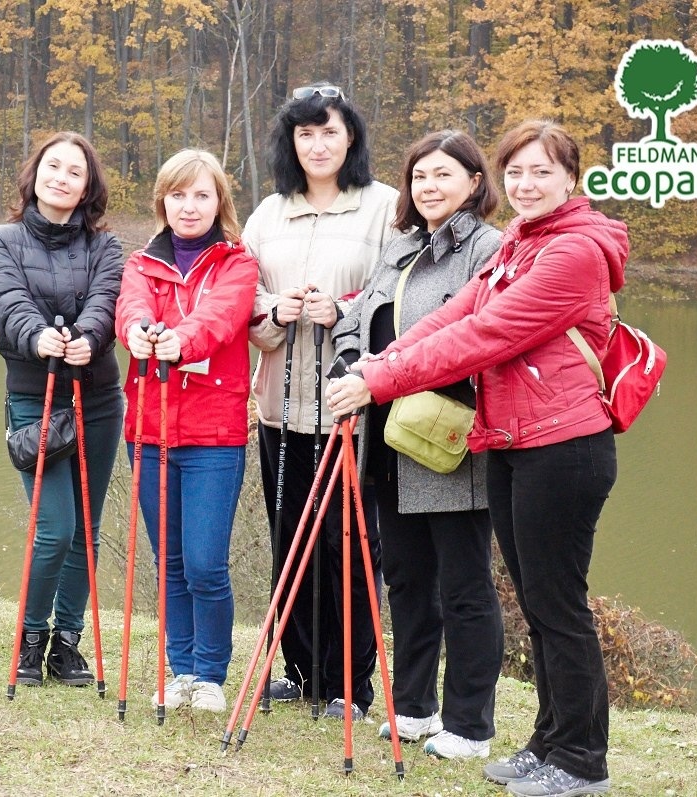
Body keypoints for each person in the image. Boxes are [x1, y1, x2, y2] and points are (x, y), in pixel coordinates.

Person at [327, 119, 623, 797]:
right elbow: (456, 312)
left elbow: (485, 335)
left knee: (560, 606)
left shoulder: (574, 251)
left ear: (571, 178)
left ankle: (581, 760)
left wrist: (379, 381)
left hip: (565, 445)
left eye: (541, 172)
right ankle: (547, 741)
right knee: (541, 603)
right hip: (514, 441)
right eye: (517, 171)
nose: (526, 184)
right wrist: (381, 361)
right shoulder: (521, 241)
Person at [330, 130, 504, 759]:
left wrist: (381, 373)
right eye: (420, 176)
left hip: (449, 439)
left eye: (444, 175)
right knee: (405, 578)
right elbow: (356, 319)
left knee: (463, 584)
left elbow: (468, 338)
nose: (429, 187)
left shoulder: (489, 250)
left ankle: (469, 724)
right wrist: (352, 365)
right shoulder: (400, 248)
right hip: (386, 440)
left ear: (474, 182)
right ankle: (414, 707)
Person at [245, 82, 399, 720]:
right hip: (281, 410)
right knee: (291, 544)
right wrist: (272, 313)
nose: (317, 145)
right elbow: (243, 299)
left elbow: (400, 294)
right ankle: (302, 671)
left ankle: (349, 686)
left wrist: (343, 311)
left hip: (351, 412)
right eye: (305, 134)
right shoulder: (268, 213)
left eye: (329, 131)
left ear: (352, 137)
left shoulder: (385, 207)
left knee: (349, 547)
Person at [0, 132, 124, 687]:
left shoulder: (106, 247)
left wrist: (89, 336)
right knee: (54, 529)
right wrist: (37, 337)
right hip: (34, 397)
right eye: (52, 166)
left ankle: (67, 644)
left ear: (88, 186)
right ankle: (29, 641)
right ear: (34, 174)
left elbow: (109, 300)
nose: (61, 177)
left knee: (86, 528)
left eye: (74, 171)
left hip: (98, 398)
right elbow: (5, 299)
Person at [115, 149, 258, 713]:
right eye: (178, 195)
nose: (189, 206)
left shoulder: (238, 263)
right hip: (148, 430)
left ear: (219, 201)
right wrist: (136, 331)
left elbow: (221, 318)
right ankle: (180, 669)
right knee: (168, 559)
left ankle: (211, 674)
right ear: (162, 203)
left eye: (201, 195)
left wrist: (180, 339)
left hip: (214, 436)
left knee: (204, 561)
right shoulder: (141, 264)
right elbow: (130, 309)